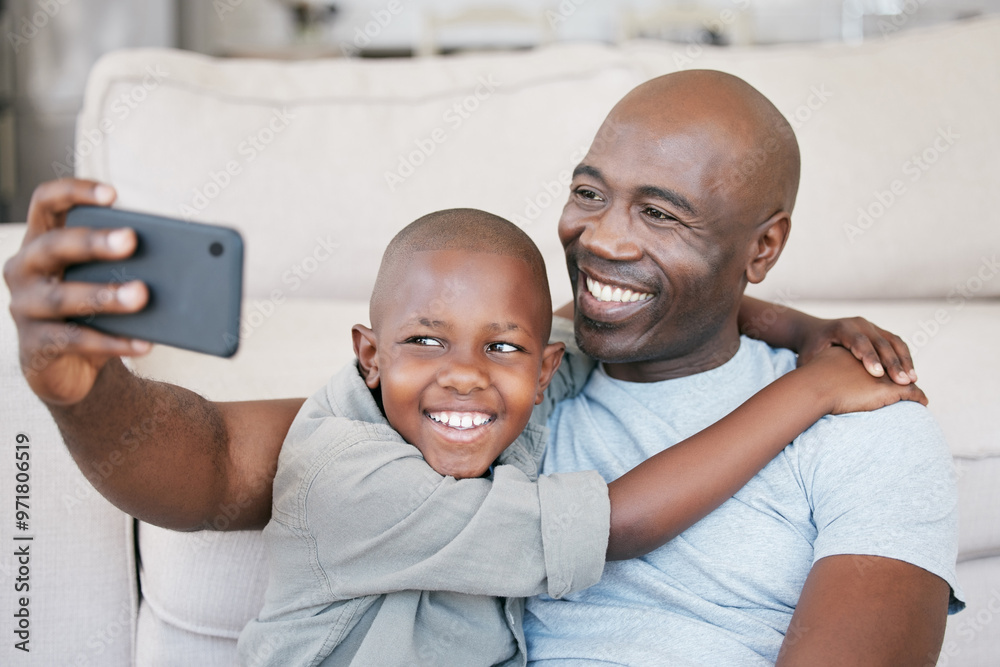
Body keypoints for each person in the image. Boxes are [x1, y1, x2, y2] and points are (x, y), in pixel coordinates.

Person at [1, 68, 957, 664]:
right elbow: (209, 460)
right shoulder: (498, 381)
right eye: (590, 191)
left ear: (762, 247)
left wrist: (801, 343)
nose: (601, 237)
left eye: (660, 213)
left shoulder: (867, 421)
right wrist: (83, 392)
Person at [236, 208, 926, 666]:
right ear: (369, 355)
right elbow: (618, 522)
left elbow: (663, 304)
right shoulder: (347, 475)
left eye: (501, 348)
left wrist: (806, 332)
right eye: (424, 340)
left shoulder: (522, 383)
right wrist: (812, 389)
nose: (467, 376)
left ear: (545, 371)